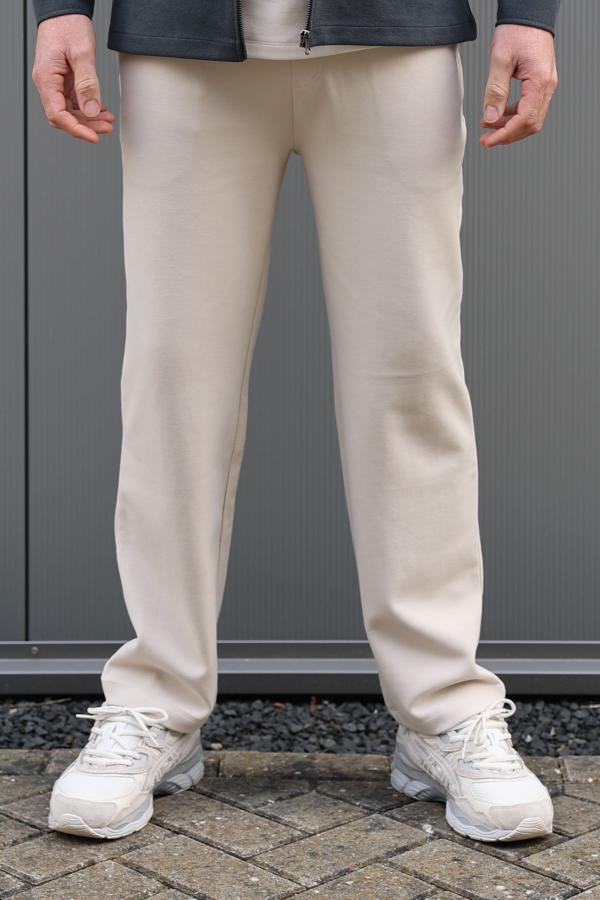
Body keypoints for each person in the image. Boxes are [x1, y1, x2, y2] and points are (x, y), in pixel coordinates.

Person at [32, 0, 560, 844]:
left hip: (395, 33)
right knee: (173, 383)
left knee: (411, 377)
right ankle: (157, 700)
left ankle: (441, 709)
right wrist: (57, 7)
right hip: (183, 43)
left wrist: (532, 13)